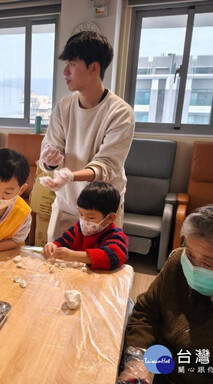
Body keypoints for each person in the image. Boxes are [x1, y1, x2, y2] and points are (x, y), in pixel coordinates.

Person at [118, 205, 213, 384]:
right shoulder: (177, 263)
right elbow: (146, 311)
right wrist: (137, 362)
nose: (192, 268)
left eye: (207, 264)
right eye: (189, 254)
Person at [38, 30, 134, 242]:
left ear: (94, 67)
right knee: (56, 265)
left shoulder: (120, 112)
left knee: (100, 266)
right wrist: (50, 162)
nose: (65, 71)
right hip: (67, 204)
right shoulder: (63, 107)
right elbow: (50, 152)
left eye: (72, 64)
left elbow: (106, 167)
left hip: (102, 212)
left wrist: (71, 175)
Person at [42, 181, 128, 270]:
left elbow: (112, 258)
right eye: (81, 215)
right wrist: (53, 246)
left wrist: (74, 255)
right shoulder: (77, 229)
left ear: (110, 218)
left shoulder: (115, 236)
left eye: (91, 217)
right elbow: (64, 241)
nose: (84, 221)